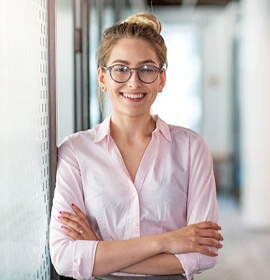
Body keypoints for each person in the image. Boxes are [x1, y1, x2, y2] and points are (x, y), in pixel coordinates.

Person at [50, 12, 223, 280]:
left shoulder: (192, 148)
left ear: (161, 79)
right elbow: (64, 258)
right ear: (102, 78)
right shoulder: (75, 151)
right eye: (120, 68)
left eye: (147, 69)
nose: (134, 82)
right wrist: (166, 242)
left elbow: (204, 254)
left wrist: (101, 250)